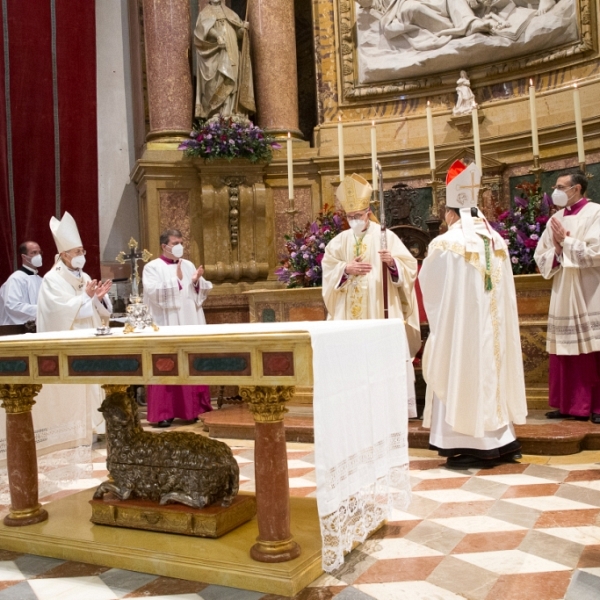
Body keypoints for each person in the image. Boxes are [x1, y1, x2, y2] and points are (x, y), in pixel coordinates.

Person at [419, 160, 527, 469]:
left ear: (451, 213)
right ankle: (502, 440)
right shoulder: (498, 242)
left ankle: (468, 443)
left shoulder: (445, 243)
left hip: (463, 331)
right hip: (494, 329)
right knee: (492, 373)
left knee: (463, 371)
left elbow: (432, 289)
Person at [37, 211, 113, 437]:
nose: (82, 255)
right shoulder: (52, 279)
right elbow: (59, 312)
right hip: (69, 342)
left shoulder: (85, 275)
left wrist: (98, 298)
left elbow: (96, 308)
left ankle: (97, 425)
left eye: (83, 251)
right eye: (78, 252)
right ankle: (76, 430)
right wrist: (87, 298)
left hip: (88, 338)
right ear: (64, 254)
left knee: (93, 384)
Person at [534, 171, 600, 424]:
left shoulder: (595, 212)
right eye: (555, 186)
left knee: (592, 349)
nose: (556, 191)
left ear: (577, 188)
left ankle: (595, 405)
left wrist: (568, 244)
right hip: (563, 288)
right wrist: (559, 250)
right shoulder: (556, 218)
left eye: (561, 186)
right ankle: (568, 404)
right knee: (564, 349)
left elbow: (597, 250)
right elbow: (542, 256)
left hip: (589, 288)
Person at [142, 229, 213, 427]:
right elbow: (153, 294)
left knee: (189, 363)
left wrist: (197, 281)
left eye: (181, 242)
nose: (179, 246)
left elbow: (199, 294)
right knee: (166, 365)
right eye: (175, 243)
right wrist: (176, 281)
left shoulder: (188, 264)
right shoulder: (152, 268)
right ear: (164, 246)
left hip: (189, 320)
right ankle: (165, 412)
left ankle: (192, 410)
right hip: (167, 324)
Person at [194, 0, 255, 119]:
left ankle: (232, 111)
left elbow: (238, 33)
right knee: (219, 78)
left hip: (232, 49)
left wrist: (243, 30)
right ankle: (217, 112)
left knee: (234, 76)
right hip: (216, 52)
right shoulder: (204, 13)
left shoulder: (230, 13)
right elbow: (202, 31)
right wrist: (217, 36)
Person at [0, 241, 43, 325]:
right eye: (34, 252)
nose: (38, 256)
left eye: (39, 252)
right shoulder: (15, 279)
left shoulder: (41, 280)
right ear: (24, 256)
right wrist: (42, 309)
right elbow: (12, 306)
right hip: (15, 329)